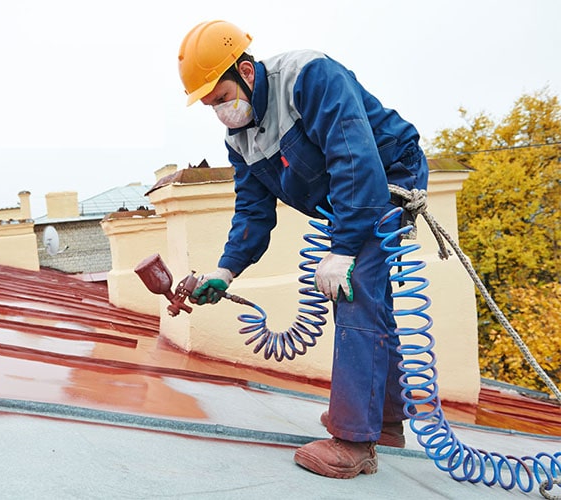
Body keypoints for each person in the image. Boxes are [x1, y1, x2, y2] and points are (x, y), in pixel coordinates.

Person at [178, 20, 429, 479]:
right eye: (210, 106)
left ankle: (354, 442)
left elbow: (355, 158)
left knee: (352, 290)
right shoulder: (241, 139)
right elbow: (253, 213)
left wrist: (344, 248)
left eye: (221, 98)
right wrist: (226, 271)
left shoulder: (309, 77)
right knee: (368, 292)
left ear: (248, 73)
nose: (220, 112)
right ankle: (386, 422)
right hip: (348, 192)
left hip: (386, 175)